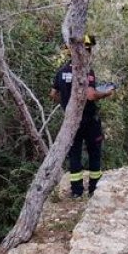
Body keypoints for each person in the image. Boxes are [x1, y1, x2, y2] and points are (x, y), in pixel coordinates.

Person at [50, 33, 115, 197]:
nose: (90, 52)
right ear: (85, 51)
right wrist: (106, 93)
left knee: (75, 155)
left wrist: (68, 104)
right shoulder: (87, 71)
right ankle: (94, 189)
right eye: (89, 49)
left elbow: (53, 94)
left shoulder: (61, 71)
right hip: (89, 121)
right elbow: (91, 95)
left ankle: (77, 191)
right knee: (94, 152)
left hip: (71, 122)